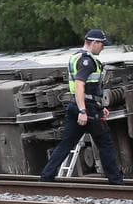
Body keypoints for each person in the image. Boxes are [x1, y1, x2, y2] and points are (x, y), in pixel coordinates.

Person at [39, 29, 125, 184]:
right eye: (101, 44)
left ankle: (46, 176)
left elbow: (86, 89)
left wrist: (99, 106)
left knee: (66, 143)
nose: (103, 47)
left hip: (78, 105)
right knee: (105, 143)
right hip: (86, 108)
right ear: (93, 42)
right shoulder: (87, 61)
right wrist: (83, 110)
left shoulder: (75, 57)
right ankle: (116, 182)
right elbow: (80, 85)